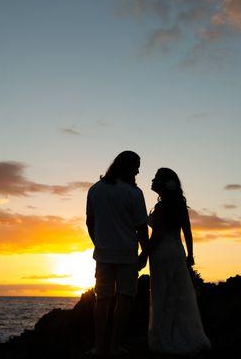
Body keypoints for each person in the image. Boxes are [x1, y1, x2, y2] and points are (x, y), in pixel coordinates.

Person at [86, 151, 149, 357]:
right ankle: (114, 346)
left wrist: (99, 242)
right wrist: (145, 253)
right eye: (137, 166)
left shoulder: (95, 190)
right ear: (128, 167)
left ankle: (98, 346)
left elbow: (90, 222)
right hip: (127, 255)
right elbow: (141, 227)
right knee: (124, 298)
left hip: (104, 254)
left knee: (102, 299)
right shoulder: (134, 193)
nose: (139, 171)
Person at [146, 167, 211, 355]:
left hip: (161, 254)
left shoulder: (161, 207)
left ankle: (166, 337)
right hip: (176, 252)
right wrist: (190, 255)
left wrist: (143, 254)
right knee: (177, 294)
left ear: (164, 184)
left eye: (156, 178)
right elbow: (187, 232)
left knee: (163, 294)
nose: (152, 180)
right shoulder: (179, 205)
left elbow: (156, 236)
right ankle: (183, 334)